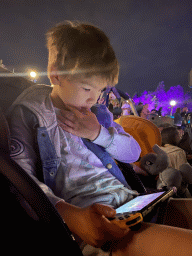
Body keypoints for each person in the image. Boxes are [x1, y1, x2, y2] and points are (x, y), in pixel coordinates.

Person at [7, 21, 192, 255]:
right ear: (56, 74)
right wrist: (68, 214)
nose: (93, 99)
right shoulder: (30, 113)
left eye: (100, 90)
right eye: (86, 88)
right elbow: (21, 183)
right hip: (94, 226)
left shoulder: (98, 115)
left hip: (131, 204)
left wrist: (98, 134)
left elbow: (133, 153)